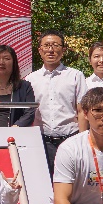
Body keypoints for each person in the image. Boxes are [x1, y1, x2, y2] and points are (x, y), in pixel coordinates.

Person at [23, 30, 86, 173]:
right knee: (44, 179)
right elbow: (28, 113)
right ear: (40, 50)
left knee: (73, 179)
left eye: (55, 45)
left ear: (63, 50)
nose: (51, 50)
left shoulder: (75, 76)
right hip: (42, 141)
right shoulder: (30, 79)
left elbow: (82, 110)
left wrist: (83, 141)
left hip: (71, 138)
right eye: (46, 45)